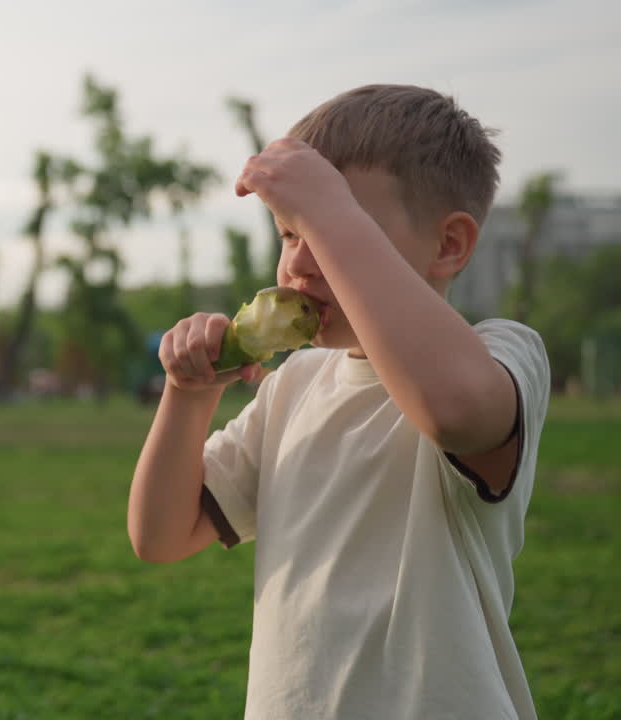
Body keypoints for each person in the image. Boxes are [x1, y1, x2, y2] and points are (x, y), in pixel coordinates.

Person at [128, 84, 549, 719]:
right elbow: (160, 535)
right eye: (289, 233)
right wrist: (189, 396)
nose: (299, 261)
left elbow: (455, 413)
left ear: (449, 246)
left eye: (335, 230)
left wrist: (329, 212)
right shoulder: (294, 387)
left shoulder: (500, 357)